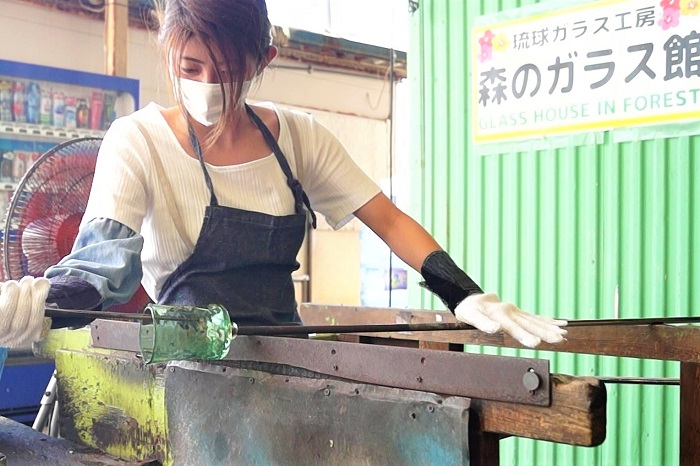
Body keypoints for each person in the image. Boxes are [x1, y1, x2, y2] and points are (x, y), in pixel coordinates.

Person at [0, 0, 566, 350]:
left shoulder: (299, 137)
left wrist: (459, 293)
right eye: (190, 67)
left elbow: (388, 218)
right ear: (169, 49)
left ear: (261, 62)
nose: (203, 84)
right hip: (182, 369)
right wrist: (35, 300)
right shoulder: (138, 141)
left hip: (290, 359)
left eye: (225, 71)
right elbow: (103, 270)